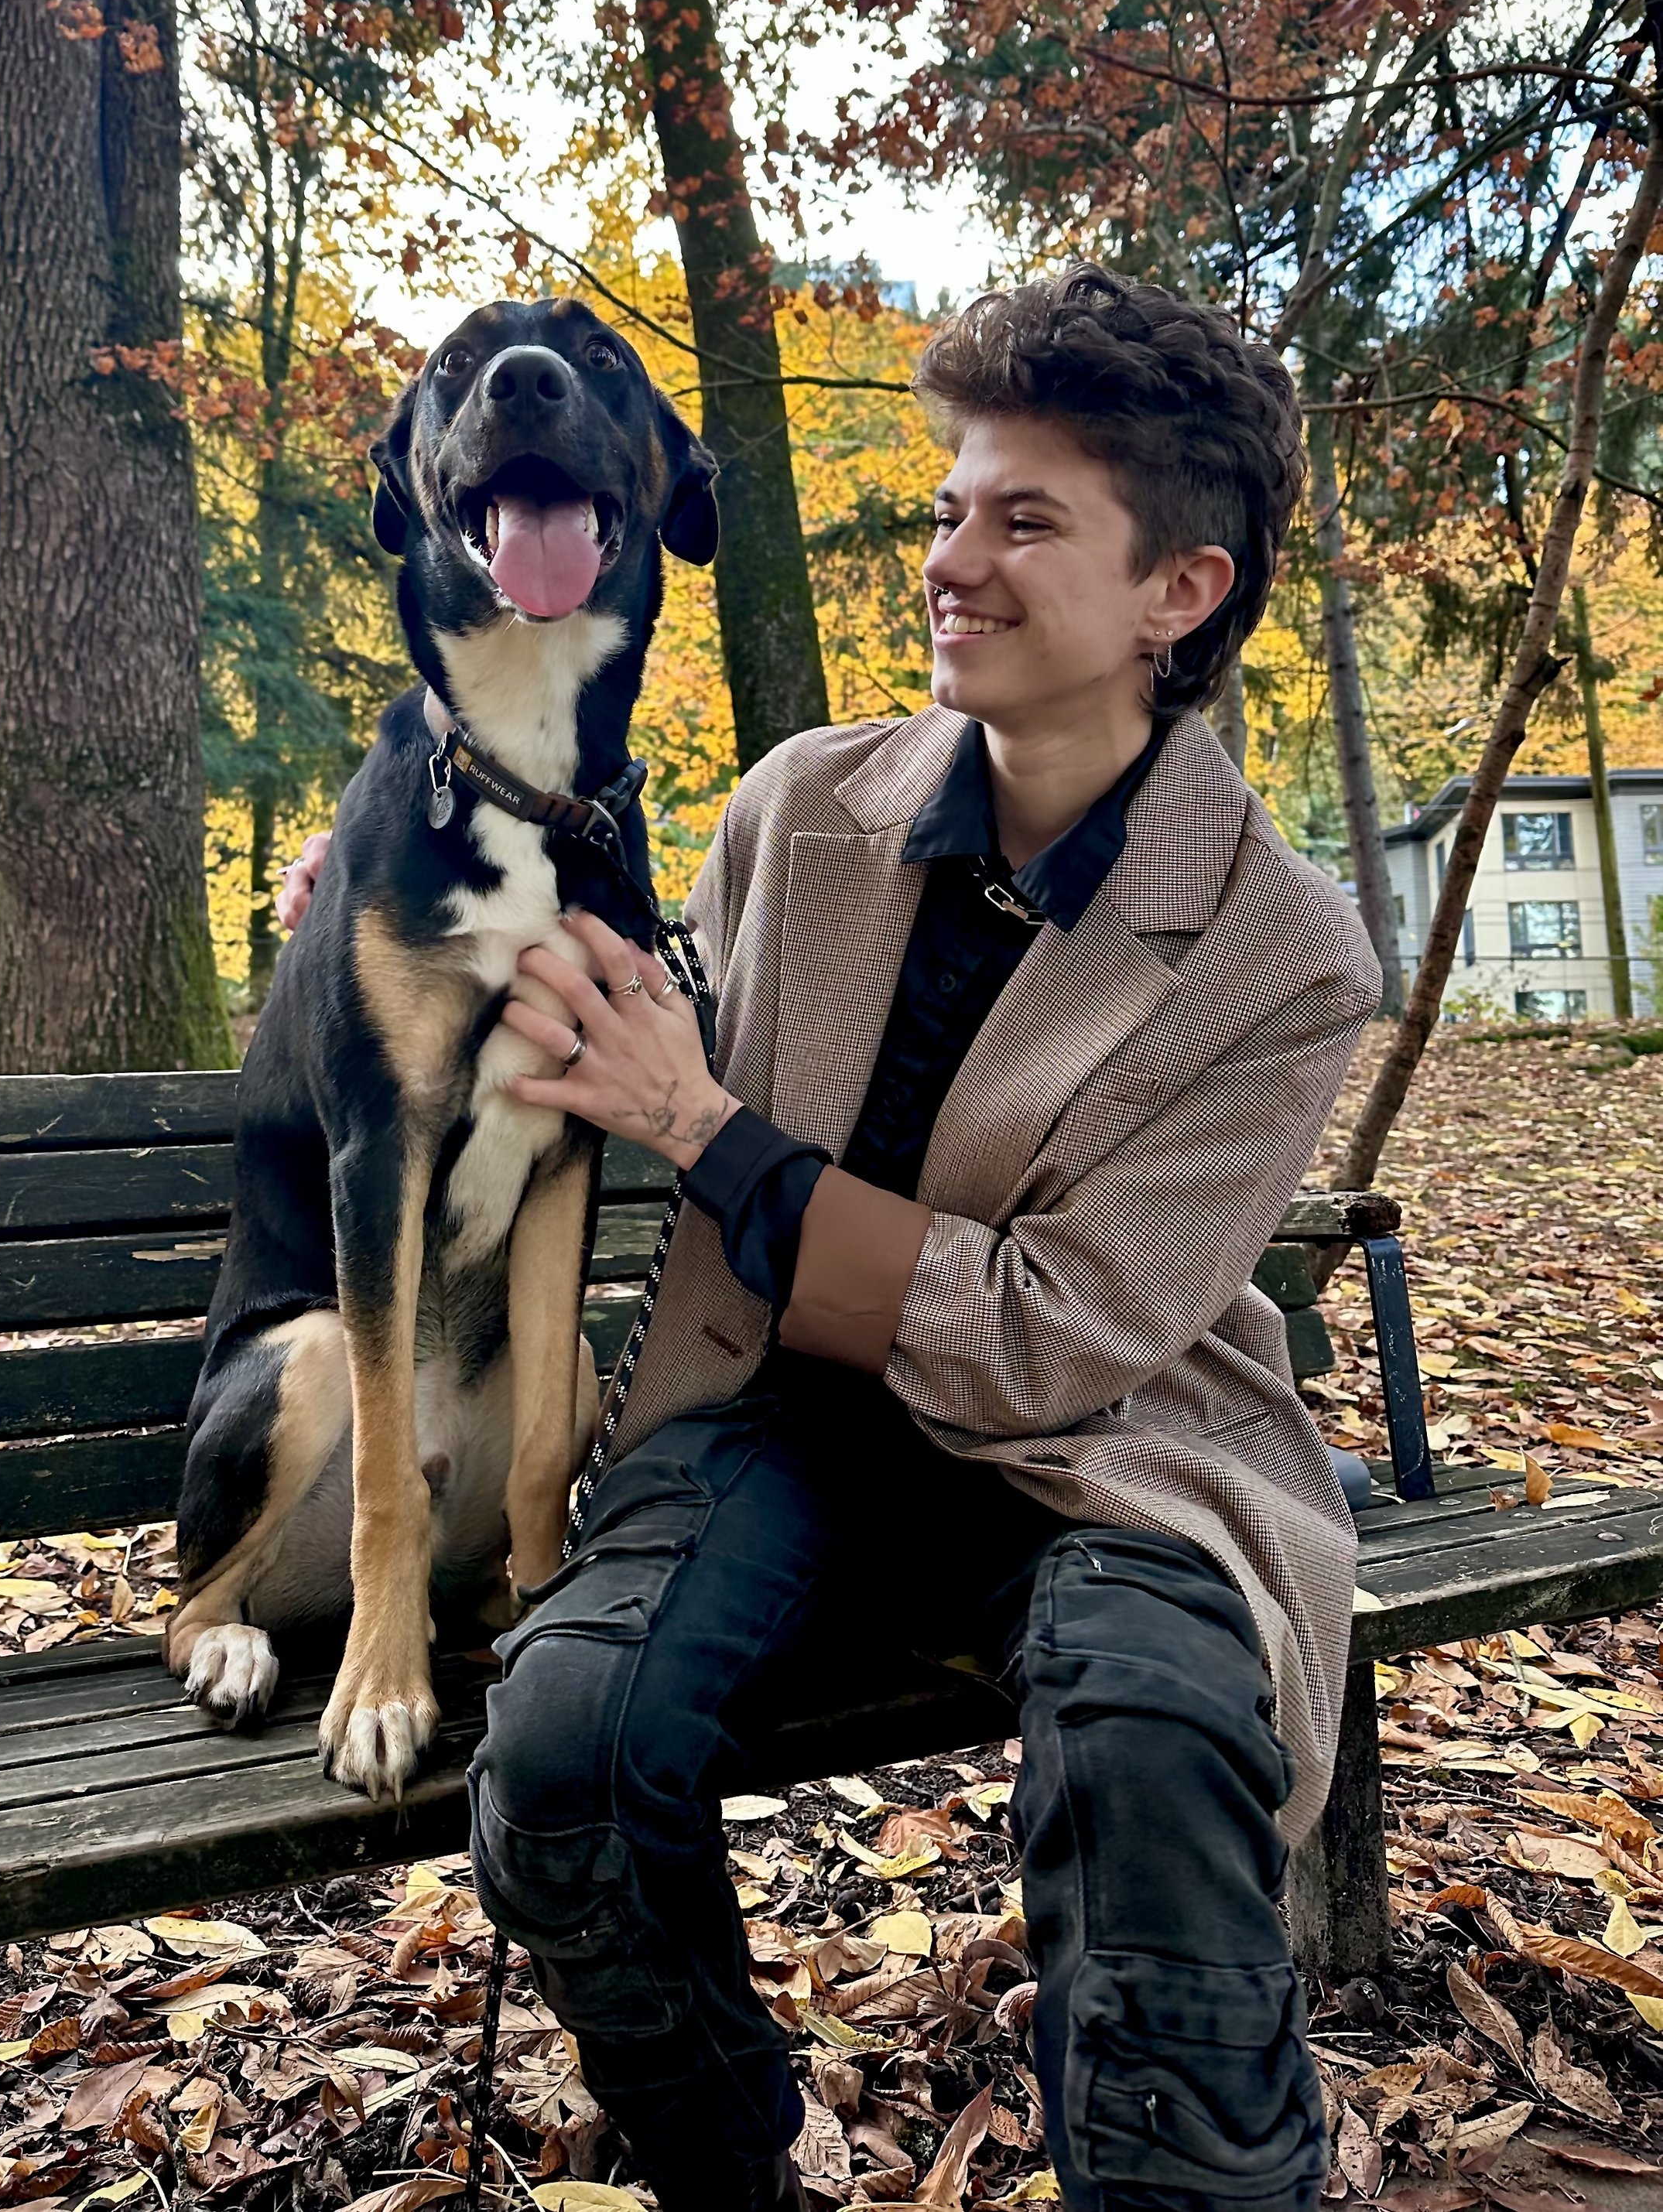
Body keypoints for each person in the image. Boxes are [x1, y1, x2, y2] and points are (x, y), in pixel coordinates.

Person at [277, 267, 1380, 2212]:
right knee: (558, 1747)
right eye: (953, 504)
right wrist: (376, 865)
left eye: (1022, 520)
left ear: (1176, 592)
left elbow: (1050, 1336)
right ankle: (725, 2161)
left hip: (1096, 1455)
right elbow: (633, 991)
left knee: (1150, 1734)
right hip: (775, 1411)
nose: (952, 557)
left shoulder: (1281, 953)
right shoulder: (800, 804)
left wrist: (705, 1129)